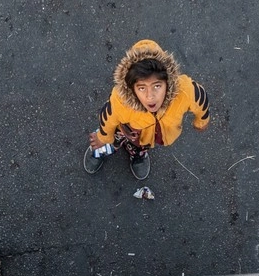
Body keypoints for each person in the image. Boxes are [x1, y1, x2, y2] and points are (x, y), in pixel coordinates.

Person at [84, 39, 210, 181]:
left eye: (157, 86)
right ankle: (102, 149)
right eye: (142, 88)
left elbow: (200, 97)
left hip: (149, 135)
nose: (150, 97)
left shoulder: (184, 91)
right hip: (126, 128)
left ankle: (137, 154)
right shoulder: (121, 100)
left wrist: (202, 120)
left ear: (168, 81)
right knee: (114, 138)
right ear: (132, 88)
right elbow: (107, 116)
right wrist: (103, 137)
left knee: (140, 145)